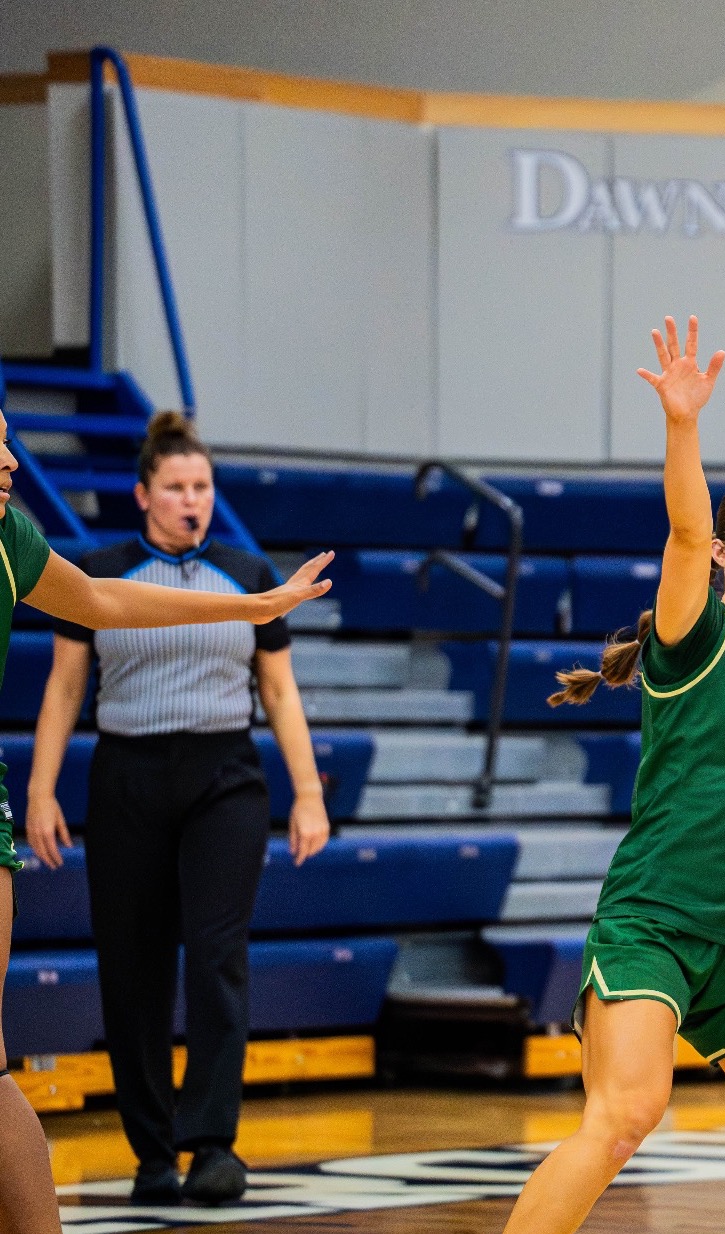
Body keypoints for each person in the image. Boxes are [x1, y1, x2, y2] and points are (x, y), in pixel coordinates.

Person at [502, 318, 725, 1234]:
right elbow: (687, 531)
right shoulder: (697, 637)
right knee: (623, 1118)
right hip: (655, 923)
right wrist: (683, 425)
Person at [0, 408, 332, 1234]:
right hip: (128, 772)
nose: (11, 459)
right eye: (176, 487)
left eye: (203, 487)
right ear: (144, 494)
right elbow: (66, 687)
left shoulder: (14, 538)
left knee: (213, 956)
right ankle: (152, 1148)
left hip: (221, 770)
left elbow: (274, 690)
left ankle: (210, 1144)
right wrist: (44, 788)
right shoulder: (82, 553)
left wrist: (254, 609)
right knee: (131, 966)